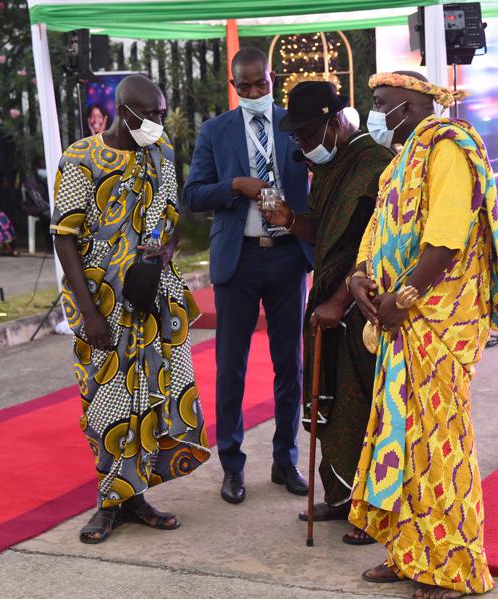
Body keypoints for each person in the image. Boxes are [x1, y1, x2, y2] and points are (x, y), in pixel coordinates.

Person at [346, 72, 498, 598]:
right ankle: (409, 552)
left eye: (381, 103)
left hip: (436, 323)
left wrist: (403, 298)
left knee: (440, 444)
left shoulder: (447, 150)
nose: (375, 111)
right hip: (400, 322)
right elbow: (377, 230)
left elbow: (445, 241)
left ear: (411, 104)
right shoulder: (401, 159)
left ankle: (452, 568)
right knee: (402, 438)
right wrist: (359, 278)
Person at [51, 73, 208, 544]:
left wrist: (162, 256)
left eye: (163, 112)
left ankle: (136, 497)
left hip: (152, 298)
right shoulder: (81, 158)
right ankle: (108, 503)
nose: (161, 121)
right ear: (127, 111)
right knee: (107, 403)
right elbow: (65, 240)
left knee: (153, 397)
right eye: (153, 114)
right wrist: (90, 314)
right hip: (100, 303)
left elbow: (172, 223)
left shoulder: (160, 154)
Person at [264, 81, 393, 544]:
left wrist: (339, 301)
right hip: (325, 303)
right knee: (330, 405)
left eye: (305, 134)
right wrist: (291, 220)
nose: (301, 144)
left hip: (361, 307)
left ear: (336, 121)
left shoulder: (377, 164)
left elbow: (376, 244)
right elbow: (323, 232)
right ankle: (341, 496)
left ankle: (373, 509)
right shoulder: (333, 166)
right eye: (295, 137)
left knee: (365, 406)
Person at [183, 47, 311, 505]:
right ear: (233, 86)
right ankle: (232, 467)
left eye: (262, 85)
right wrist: (235, 186)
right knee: (230, 367)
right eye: (246, 87)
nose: (256, 93)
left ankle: (285, 459)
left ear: (273, 79)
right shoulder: (216, 131)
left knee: (289, 365)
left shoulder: (295, 125)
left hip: (287, 257)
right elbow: (193, 195)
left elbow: (322, 175)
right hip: (237, 261)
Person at [21, 157, 52, 222]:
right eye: (43, 167)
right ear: (36, 169)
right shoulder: (31, 184)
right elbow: (31, 207)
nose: (45, 169)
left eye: (46, 167)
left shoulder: (50, 177)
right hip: (45, 215)